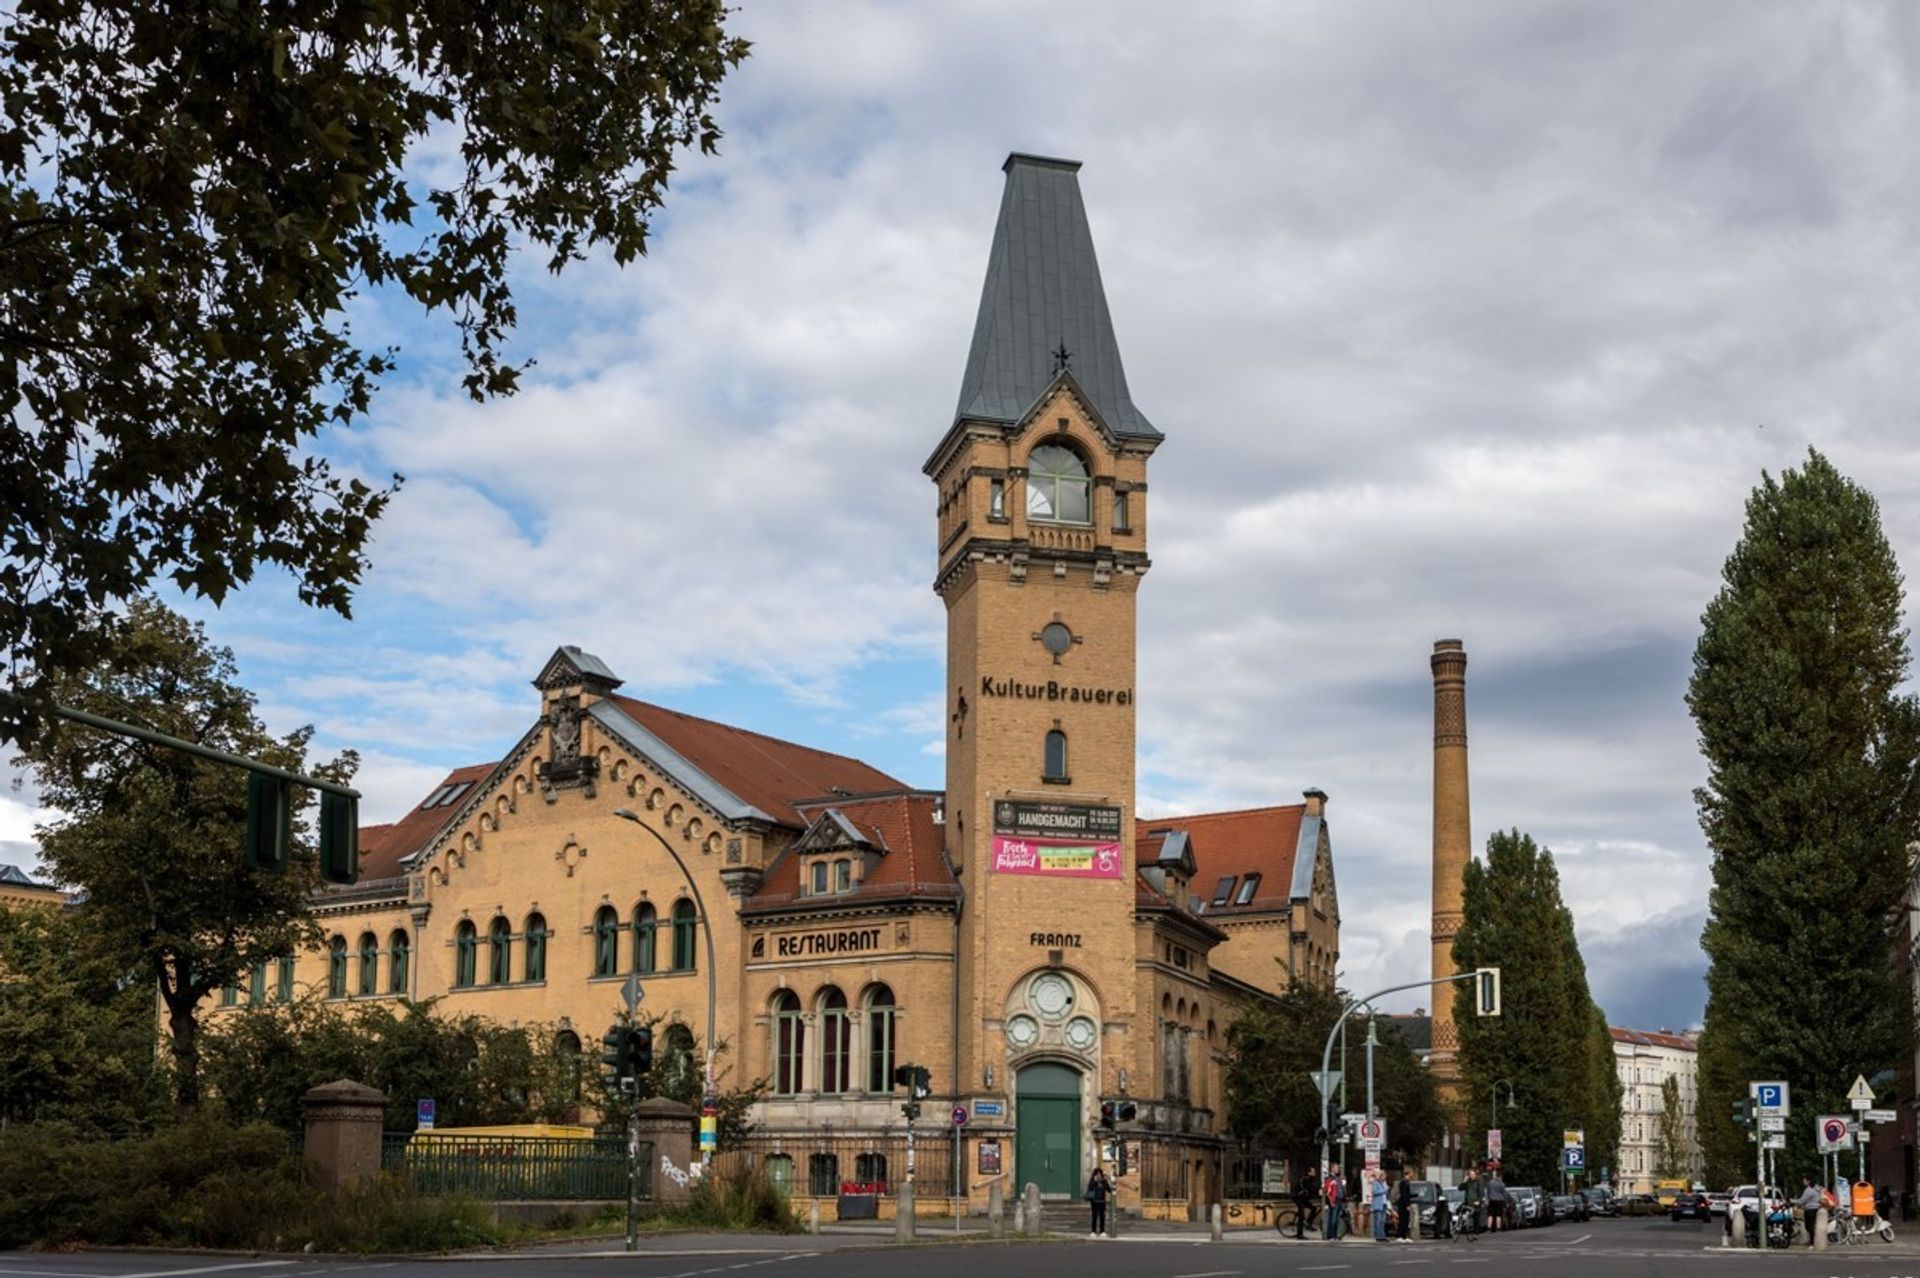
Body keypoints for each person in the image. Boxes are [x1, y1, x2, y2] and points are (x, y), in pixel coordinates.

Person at [1796, 1177, 1821, 1248]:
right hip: (1814, 1209)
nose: (1803, 1182)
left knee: (1809, 1226)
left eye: (1804, 1180)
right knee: (1810, 1226)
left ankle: (1812, 1243)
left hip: (1810, 1209)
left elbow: (1803, 1200)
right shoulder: (1816, 1189)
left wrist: (1793, 1201)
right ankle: (1812, 1241)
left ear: (1808, 1181)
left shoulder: (1809, 1190)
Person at [1085, 1167, 1111, 1238]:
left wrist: (1107, 1181)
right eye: (1097, 1174)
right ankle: (1093, 1231)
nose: (1098, 1175)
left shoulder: (1104, 1181)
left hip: (1102, 1201)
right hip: (1094, 1202)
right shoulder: (1092, 1181)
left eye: (1100, 1174)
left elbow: (1109, 1190)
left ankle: (1102, 1231)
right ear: (1095, 1174)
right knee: (1094, 1216)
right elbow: (1090, 1188)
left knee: (1102, 1217)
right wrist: (1095, 1181)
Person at [1291, 1171, 1316, 1240]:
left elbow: (1312, 1189)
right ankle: (1299, 1234)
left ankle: (1308, 1223)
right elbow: (1309, 1189)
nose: (1315, 1173)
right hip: (1298, 1198)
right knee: (1301, 1216)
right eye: (1313, 1172)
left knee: (1313, 1208)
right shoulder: (1305, 1179)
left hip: (1303, 1198)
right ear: (1309, 1172)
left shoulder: (1310, 1180)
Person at [1462, 1166, 1485, 1234]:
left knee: (1476, 1218)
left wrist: (1478, 1201)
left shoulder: (1478, 1182)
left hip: (1475, 1203)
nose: (1471, 1176)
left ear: (1475, 1175)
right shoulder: (1467, 1182)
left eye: (1473, 1174)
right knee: (1461, 1212)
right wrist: (1464, 1181)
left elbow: (1481, 1193)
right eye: (1470, 1174)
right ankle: (1462, 1226)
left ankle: (1476, 1232)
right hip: (1468, 1202)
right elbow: (1460, 1188)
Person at [1323, 1166, 1344, 1241]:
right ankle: (1330, 1235)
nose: (1338, 1169)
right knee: (1333, 1218)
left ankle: (1335, 1235)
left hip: (1339, 1200)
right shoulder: (1330, 1178)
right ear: (1332, 1169)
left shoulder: (1337, 1178)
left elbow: (1341, 1189)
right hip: (1334, 1200)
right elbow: (1328, 1192)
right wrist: (1331, 1201)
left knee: (1336, 1219)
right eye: (1336, 1168)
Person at [1370, 1168, 1390, 1242]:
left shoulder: (1384, 1183)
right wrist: (1384, 1190)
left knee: (1383, 1221)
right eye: (1384, 1176)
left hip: (1384, 1203)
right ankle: (1378, 1236)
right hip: (1378, 1205)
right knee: (1378, 1221)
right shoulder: (1376, 1183)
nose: (1385, 1177)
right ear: (1381, 1176)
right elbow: (1374, 1192)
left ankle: (1383, 1236)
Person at [1395, 1170, 1414, 1241]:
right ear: (1408, 1174)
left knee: (1406, 1220)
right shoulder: (1403, 1183)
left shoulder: (1407, 1182)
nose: (1412, 1175)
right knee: (1402, 1220)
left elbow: (1408, 1194)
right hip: (1403, 1204)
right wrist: (1407, 1205)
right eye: (1411, 1173)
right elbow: (1404, 1195)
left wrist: (1416, 1195)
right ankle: (1399, 1236)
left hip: (1405, 1203)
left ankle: (1404, 1236)